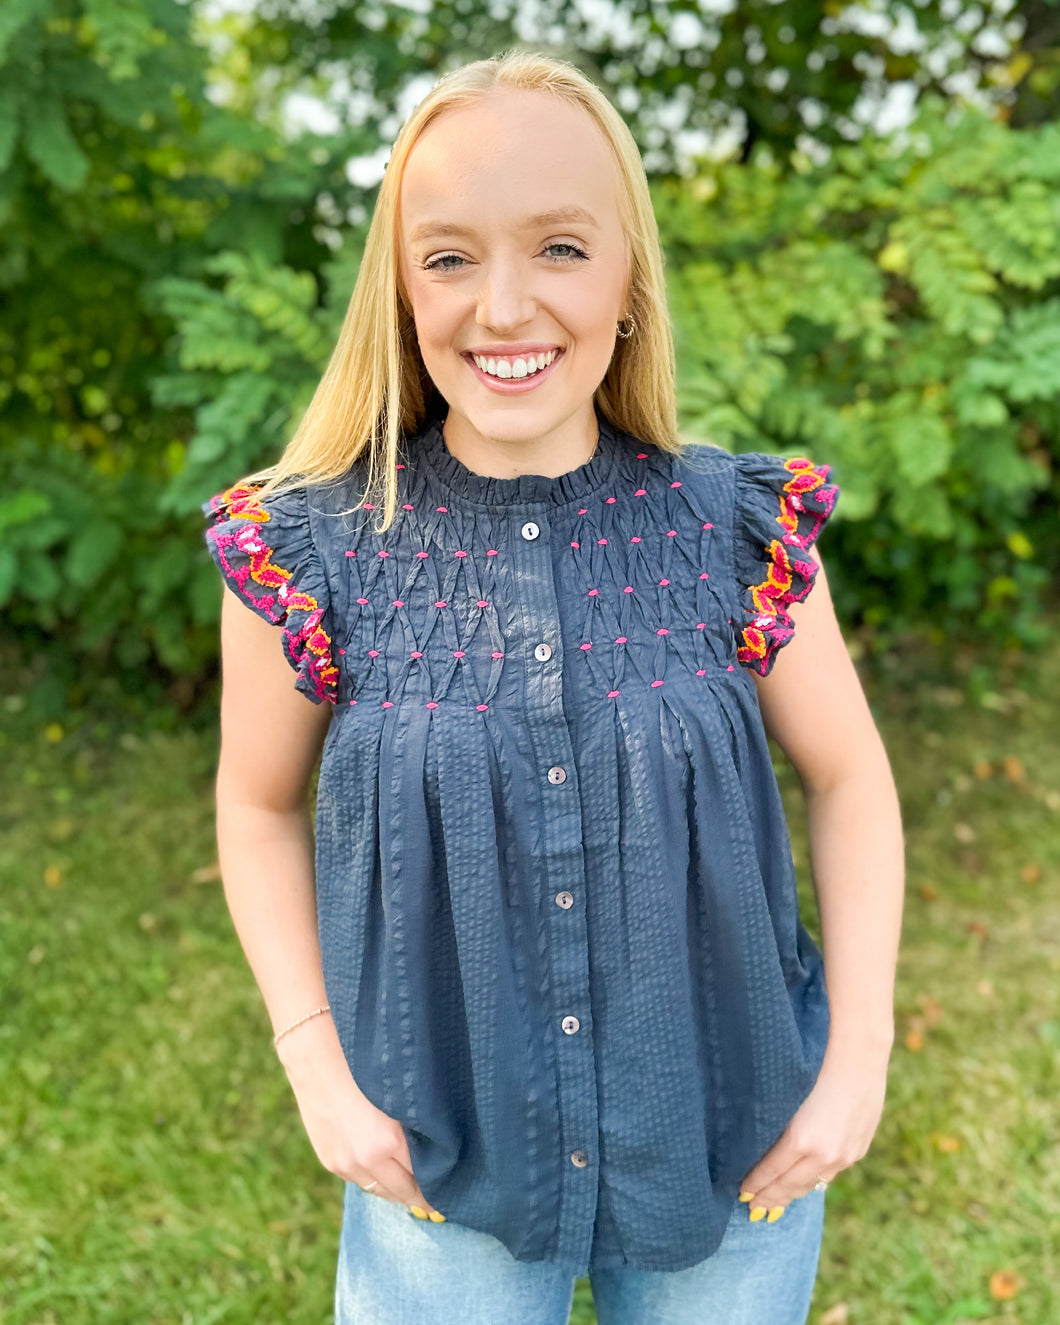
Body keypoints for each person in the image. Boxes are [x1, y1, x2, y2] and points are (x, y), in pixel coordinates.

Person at [200, 47, 904, 1325]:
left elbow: (850, 774)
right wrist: (316, 1069)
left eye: (561, 248)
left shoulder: (730, 528)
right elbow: (253, 806)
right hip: (435, 1156)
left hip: (731, 1140)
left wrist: (855, 1057)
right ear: (400, 287)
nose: (504, 305)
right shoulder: (315, 548)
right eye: (451, 256)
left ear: (629, 274)